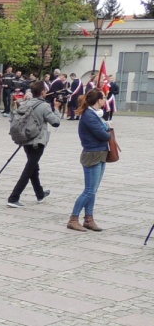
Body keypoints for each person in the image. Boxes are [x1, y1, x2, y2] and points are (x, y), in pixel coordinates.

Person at [7, 81, 61, 208]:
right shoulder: (44, 106)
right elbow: (56, 123)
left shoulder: (26, 103)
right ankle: (13, 197)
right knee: (29, 170)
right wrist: (57, 108)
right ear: (43, 92)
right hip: (38, 141)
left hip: (26, 139)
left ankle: (40, 194)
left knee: (33, 168)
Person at [67, 89, 110, 232]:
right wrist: (107, 129)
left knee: (93, 190)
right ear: (98, 100)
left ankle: (89, 219)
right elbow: (104, 135)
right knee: (89, 190)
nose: (105, 100)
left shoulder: (94, 114)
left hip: (100, 153)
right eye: (104, 97)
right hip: (92, 154)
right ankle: (73, 219)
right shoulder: (90, 116)